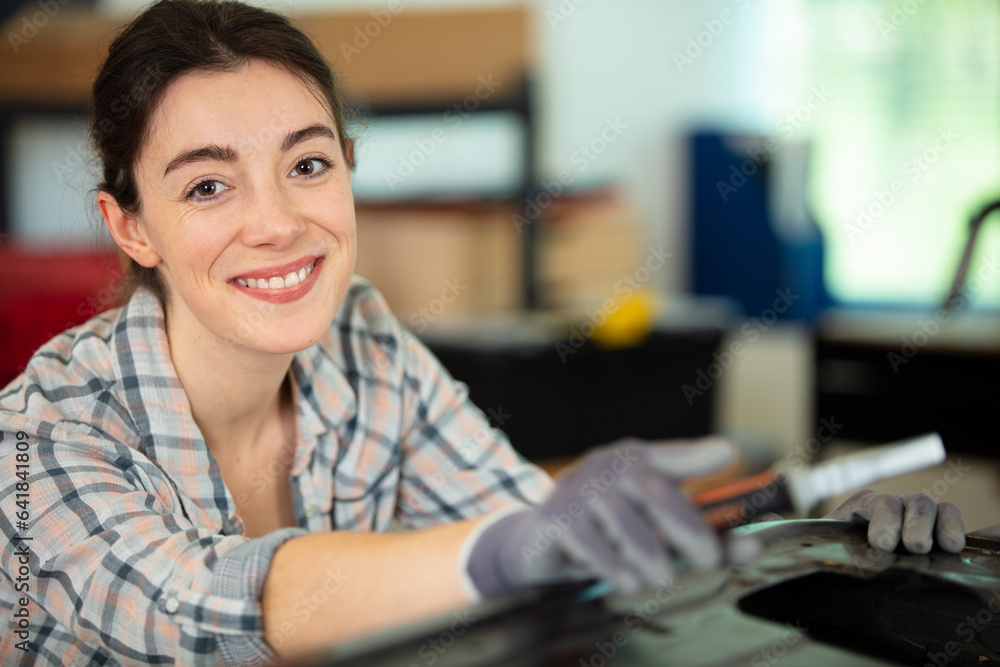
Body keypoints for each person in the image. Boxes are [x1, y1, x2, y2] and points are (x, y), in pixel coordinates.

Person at [0, 0, 966, 664]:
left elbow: (540, 535)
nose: (277, 222)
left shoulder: (364, 344)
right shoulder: (43, 435)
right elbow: (200, 615)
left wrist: (819, 534)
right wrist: (504, 547)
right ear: (130, 225)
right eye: (208, 185)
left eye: (308, 163)